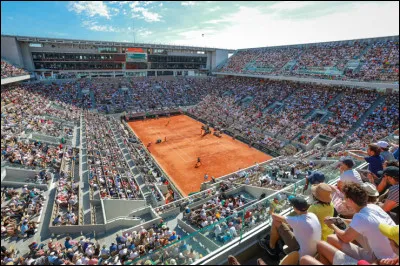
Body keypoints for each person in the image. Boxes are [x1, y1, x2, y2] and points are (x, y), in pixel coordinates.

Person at [323, 182, 397, 264]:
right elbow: (360, 223)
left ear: (350, 200)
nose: (343, 201)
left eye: (344, 199)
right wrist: (340, 219)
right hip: (393, 254)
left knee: (329, 238)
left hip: (382, 260)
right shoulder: (373, 207)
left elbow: (345, 238)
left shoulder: (360, 218)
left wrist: (332, 226)